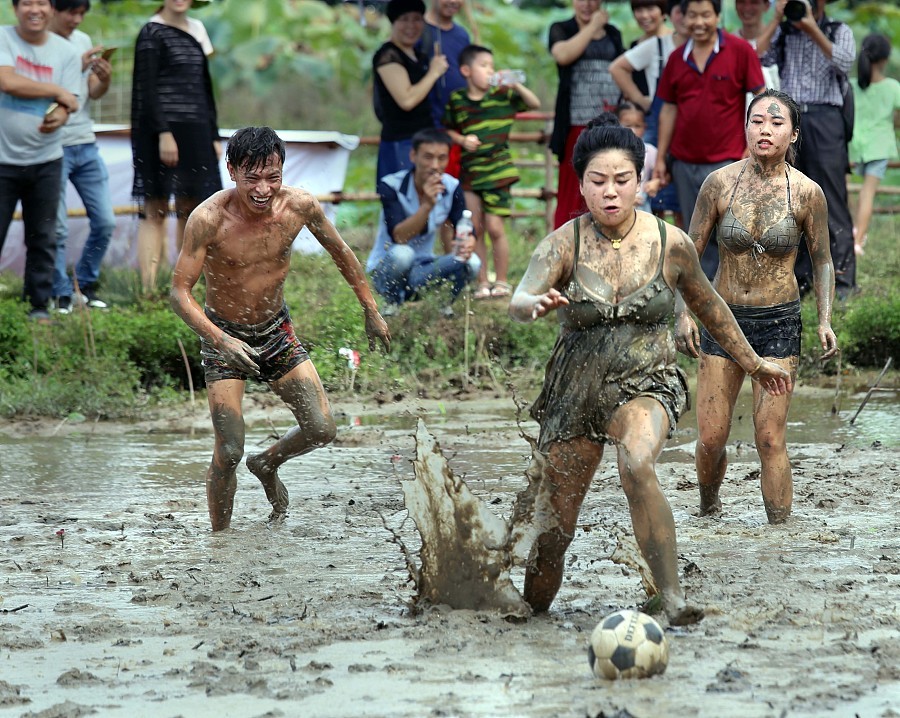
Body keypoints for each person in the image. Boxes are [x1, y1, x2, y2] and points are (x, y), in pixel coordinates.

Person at [507, 114, 791, 623]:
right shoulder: (564, 243)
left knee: (637, 462)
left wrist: (753, 361)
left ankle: (671, 596)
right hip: (575, 392)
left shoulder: (671, 243)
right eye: (597, 182)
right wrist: (532, 305)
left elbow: (711, 310)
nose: (610, 193)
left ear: (642, 181)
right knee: (555, 533)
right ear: (581, 185)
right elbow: (520, 296)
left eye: (622, 180)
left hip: (647, 383)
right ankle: (528, 610)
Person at [171, 126, 391, 532]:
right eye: (252, 178)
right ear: (232, 170)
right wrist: (220, 339)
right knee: (230, 449)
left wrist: (370, 309)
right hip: (223, 335)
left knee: (322, 429)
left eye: (272, 177)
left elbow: (342, 254)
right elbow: (179, 293)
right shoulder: (207, 219)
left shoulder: (300, 206)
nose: (262, 189)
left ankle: (268, 462)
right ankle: (220, 543)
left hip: (276, 331)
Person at [676, 89, 837, 524]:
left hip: (778, 323)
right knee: (711, 436)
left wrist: (824, 319)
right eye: (756, 121)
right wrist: (683, 312)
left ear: (794, 134)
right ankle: (709, 510)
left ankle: (780, 532)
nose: (765, 129)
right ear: (745, 127)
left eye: (776, 122)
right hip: (722, 318)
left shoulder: (808, 194)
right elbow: (688, 255)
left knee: (769, 438)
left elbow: (822, 261)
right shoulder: (719, 184)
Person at [652, 0, 764, 279]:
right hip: (684, 162)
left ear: (717, 16)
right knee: (696, 235)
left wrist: (750, 148)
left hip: (728, 161)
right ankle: (702, 302)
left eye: (705, 15)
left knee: (732, 232)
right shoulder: (677, 58)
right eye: (692, 15)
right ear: (682, 17)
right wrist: (663, 159)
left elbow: (760, 97)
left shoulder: (740, 51)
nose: (699, 22)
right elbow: (668, 109)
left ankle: (737, 298)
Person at [756, 0, 856, 298]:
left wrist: (812, 28)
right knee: (789, 197)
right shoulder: (784, 31)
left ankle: (844, 281)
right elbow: (758, 55)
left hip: (826, 118)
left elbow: (846, 63)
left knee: (832, 198)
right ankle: (797, 280)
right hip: (789, 117)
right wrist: (776, 18)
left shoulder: (838, 29)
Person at [131, 0, 222, 295]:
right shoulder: (151, 32)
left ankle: (185, 286)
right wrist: (163, 133)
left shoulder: (197, 30)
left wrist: (213, 134)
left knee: (192, 209)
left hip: (196, 132)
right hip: (161, 133)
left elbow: (203, 87)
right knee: (154, 207)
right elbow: (147, 89)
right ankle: (148, 289)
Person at [0, 0, 80, 322]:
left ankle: (37, 307)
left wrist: (60, 114)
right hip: (2, 161)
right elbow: (7, 81)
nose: (35, 9)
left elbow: (69, 103)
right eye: (27, 3)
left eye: (42, 3)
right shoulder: (3, 38)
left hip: (47, 160)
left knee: (44, 237)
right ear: (16, 8)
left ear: (51, 8)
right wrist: (56, 91)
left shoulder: (67, 52)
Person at [443, 44, 540, 300]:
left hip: (499, 172)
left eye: (492, 66)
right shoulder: (457, 100)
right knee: (475, 228)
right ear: (466, 70)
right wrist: (462, 141)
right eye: (483, 65)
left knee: (496, 227)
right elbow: (448, 129)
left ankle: (503, 281)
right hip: (471, 174)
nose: (490, 70)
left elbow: (533, 103)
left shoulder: (502, 95)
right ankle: (482, 281)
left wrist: (515, 83)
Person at [367, 128, 480, 317]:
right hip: (387, 269)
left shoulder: (451, 186)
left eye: (442, 158)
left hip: (423, 269)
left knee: (473, 262)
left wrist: (469, 241)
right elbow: (399, 236)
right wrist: (427, 205)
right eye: (428, 157)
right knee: (403, 254)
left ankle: (443, 304)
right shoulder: (391, 185)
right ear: (413, 155)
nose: (435, 165)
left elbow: (463, 221)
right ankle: (392, 303)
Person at [50, 0, 115, 313]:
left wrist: (104, 76)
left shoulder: (83, 41)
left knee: (105, 220)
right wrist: (74, 66)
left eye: (81, 14)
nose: (76, 20)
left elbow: (92, 91)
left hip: (85, 142)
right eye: (70, 13)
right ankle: (60, 292)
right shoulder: (38, 44)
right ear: (52, 10)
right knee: (56, 226)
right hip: (52, 146)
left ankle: (84, 286)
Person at [548, 0, 624, 229]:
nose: (587, 4)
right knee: (572, 189)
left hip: (609, 126)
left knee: (606, 186)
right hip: (574, 126)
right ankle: (565, 248)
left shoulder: (613, 34)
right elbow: (562, 55)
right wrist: (592, 26)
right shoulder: (561, 28)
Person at [609, 0, 686, 225]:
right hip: (660, 125)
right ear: (670, 13)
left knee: (685, 198)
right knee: (653, 191)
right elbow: (617, 68)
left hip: (690, 129)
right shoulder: (657, 45)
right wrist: (643, 101)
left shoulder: (701, 45)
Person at [373, 0, 448, 183]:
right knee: (402, 202)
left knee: (429, 198)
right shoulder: (388, 55)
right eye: (404, 19)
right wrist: (434, 72)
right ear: (393, 22)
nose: (411, 26)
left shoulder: (420, 55)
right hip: (401, 144)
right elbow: (406, 100)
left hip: (425, 142)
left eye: (416, 19)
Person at [848, 34, 898, 257]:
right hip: (879, 146)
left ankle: (851, 230)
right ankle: (858, 241)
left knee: (844, 190)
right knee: (868, 193)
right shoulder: (893, 87)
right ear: (885, 59)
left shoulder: (850, 87)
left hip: (853, 145)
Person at [416, 0, 471, 178]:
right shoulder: (417, 30)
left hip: (457, 126)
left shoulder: (462, 34)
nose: (454, 1)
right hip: (427, 126)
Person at [615, 101, 660, 213]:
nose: (633, 131)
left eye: (637, 126)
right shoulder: (611, 152)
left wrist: (656, 182)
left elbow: (664, 175)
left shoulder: (650, 151)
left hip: (643, 210)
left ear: (645, 127)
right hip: (616, 208)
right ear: (616, 125)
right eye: (628, 126)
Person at [734, 0, 780, 92]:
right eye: (741, 2)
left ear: (766, 6)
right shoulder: (730, 42)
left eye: (754, 2)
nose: (747, 8)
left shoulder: (780, 38)